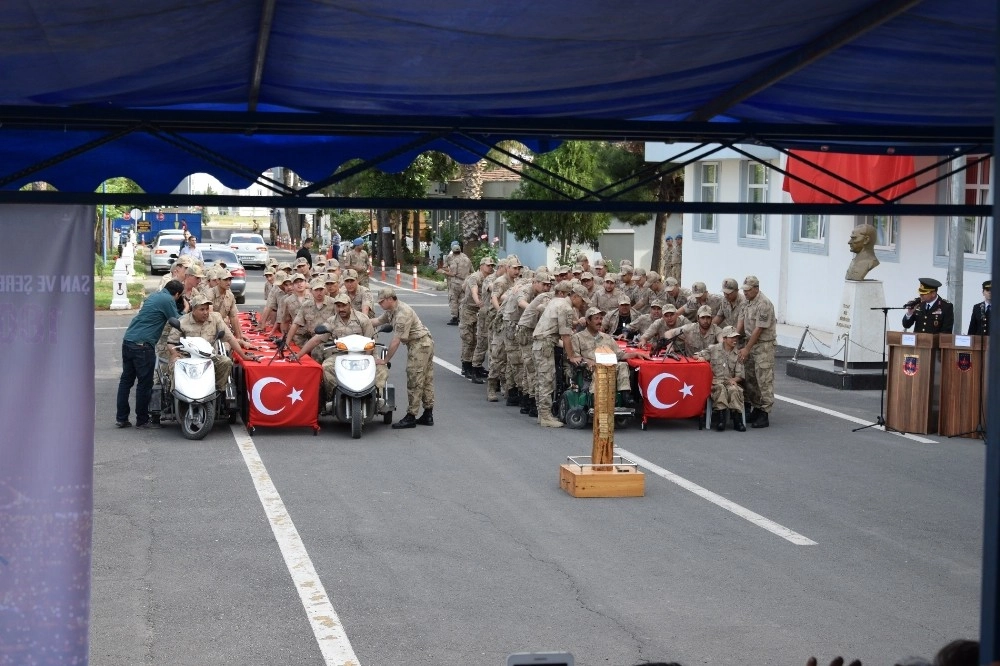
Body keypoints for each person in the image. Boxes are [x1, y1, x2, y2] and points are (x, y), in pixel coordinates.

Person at [294, 293, 388, 411]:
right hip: (341, 356)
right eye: (338, 306)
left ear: (350, 305)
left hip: (365, 355)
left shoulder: (362, 319)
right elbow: (316, 339)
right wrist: (299, 354)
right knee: (326, 367)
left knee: (382, 369)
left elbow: (371, 340)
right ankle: (333, 397)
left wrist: (368, 360)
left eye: (344, 306)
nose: (341, 309)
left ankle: (375, 397)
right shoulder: (332, 321)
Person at [115, 280, 185, 429]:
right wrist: (186, 308)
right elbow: (178, 320)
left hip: (128, 340)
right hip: (143, 345)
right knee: (145, 384)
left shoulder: (155, 296)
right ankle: (142, 420)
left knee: (126, 381)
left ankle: (121, 418)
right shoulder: (168, 299)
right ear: (177, 294)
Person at [369, 287, 435, 428]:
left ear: (389, 299)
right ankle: (428, 414)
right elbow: (376, 321)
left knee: (415, 379)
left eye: (381, 302)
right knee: (425, 379)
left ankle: (411, 416)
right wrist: (359, 321)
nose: (380, 305)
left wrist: (385, 360)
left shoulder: (402, 314)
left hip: (420, 344)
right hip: (422, 343)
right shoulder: (391, 311)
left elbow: (396, 341)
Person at [166, 293, 257, 393]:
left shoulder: (216, 318)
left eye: (207, 309)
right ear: (193, 310)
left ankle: (216, 391)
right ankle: (175, 395)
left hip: (209, 357)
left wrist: (243, 356)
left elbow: (230, 338)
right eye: (202, 309)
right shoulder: (183, 321)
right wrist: (174, 353)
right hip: (187, 357)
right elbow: (171, 342)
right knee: (175, 365)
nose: (205, 312)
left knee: (226, 362)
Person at [532, 284, 589, 428]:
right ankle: (545, 416)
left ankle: (542, 413)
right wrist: (571, 356)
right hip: (545, 344)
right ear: (575, 296)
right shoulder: (566, 308)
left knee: (541, 380)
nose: (582, 304)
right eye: (582, 301)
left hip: (541, 343)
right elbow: (566, 335)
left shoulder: (556, 301)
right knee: (547, 380)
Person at [570, 307, 650, 405]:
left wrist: (636, 354)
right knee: (599, 370)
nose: (599, 321)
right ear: (588, 321)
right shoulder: (577, 338)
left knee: (622, 365)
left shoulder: (607, 338)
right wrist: (587, 361)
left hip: (609, 367)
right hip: (590, 370)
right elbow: (575, 357)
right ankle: (595, 400)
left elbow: (620, 354)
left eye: (601, 319)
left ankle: (625, 396)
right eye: (596, 319)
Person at [738, 275, 777, 428]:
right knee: (750, 378)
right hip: (749, 343)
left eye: (748, 290)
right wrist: (734, 340)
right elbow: (741, 323)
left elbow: (759, 329)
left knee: (764, 379)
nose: (745, 292)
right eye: (744, 290)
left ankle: (764, 412)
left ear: (756, 289)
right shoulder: (746, 302)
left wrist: (747, 348)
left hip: (763, 345)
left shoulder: (764, 304)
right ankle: (756, 407)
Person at [695, 325, 746, 432]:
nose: (735, 340)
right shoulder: (713, 349)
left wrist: (734, 380)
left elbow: (740, 375)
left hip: (729, 381)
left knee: (734, 390)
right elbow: (697, 355)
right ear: (724, 338)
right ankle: (720, 418)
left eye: (735, 337)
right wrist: (700, 358)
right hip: (715, 382)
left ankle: (737, 420)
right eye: (731, 337)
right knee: (720, 389)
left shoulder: (738, 354)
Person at [439, 240, 472, 325]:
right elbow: (472, 271)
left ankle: (454, 318)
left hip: (454, 282)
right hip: (464, 283)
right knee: (462, 300)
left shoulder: (451, 258)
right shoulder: (467, 258)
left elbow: (451, 272)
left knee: (453, 300)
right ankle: (461, 317)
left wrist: (443, 272)